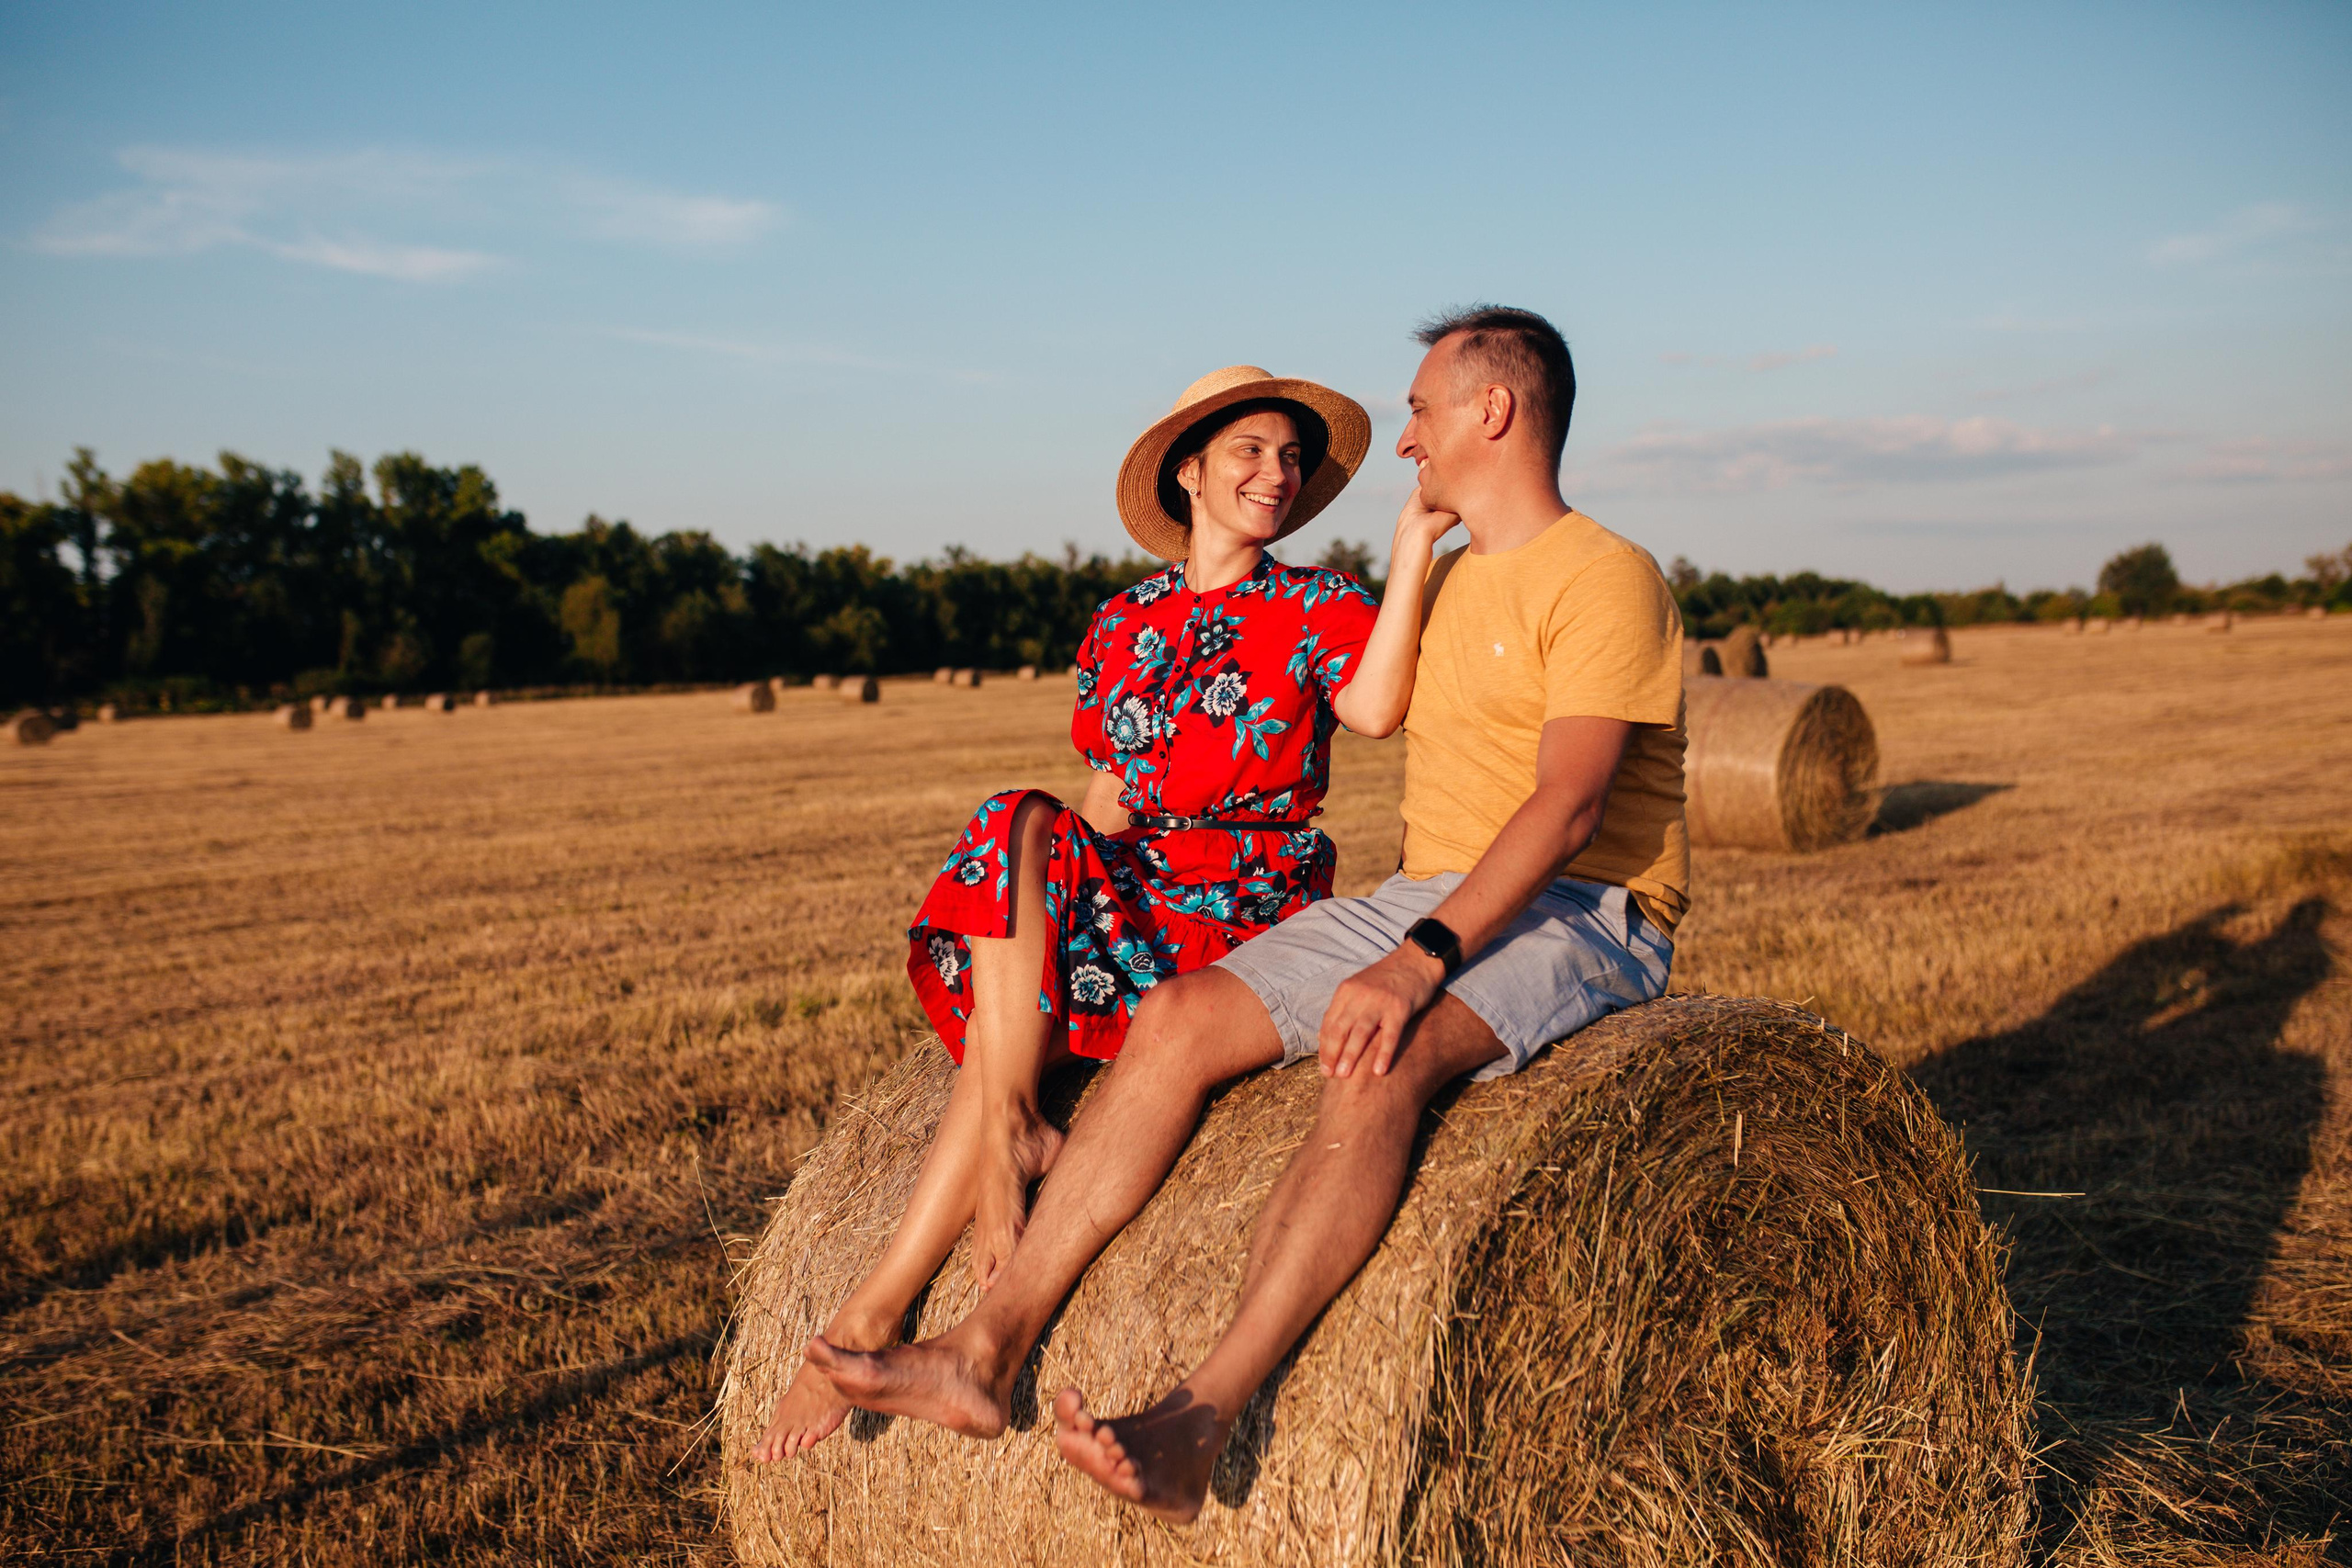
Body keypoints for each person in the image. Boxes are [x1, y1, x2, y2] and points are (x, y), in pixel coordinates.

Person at [802, 304, 1690, 1523]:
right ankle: (981, 1344)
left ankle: (1197, 1412)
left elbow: (1572, 806)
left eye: (1422, 410)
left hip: (1585, 904)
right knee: (1170, 1018)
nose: (1407, 438)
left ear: (1493, 410)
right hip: (1420, 887)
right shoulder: (1457, 583)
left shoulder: (1605, 574)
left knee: (1381, 1059)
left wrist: (1418, 960)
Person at [753, 365, 1460, 1461]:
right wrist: (1065, 906)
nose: (1274, 475)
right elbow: (1106, 797)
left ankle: (883, 1293)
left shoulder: (1314, 605)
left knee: (1006, 966)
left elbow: (1374, 709)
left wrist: (1411, 544)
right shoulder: (1122, 619)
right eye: (1249, 453)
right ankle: (952, 1209)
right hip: (1136, 888)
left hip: (1240, 899)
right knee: (1016, 845)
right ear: (1189, 470)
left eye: (1288, 459)